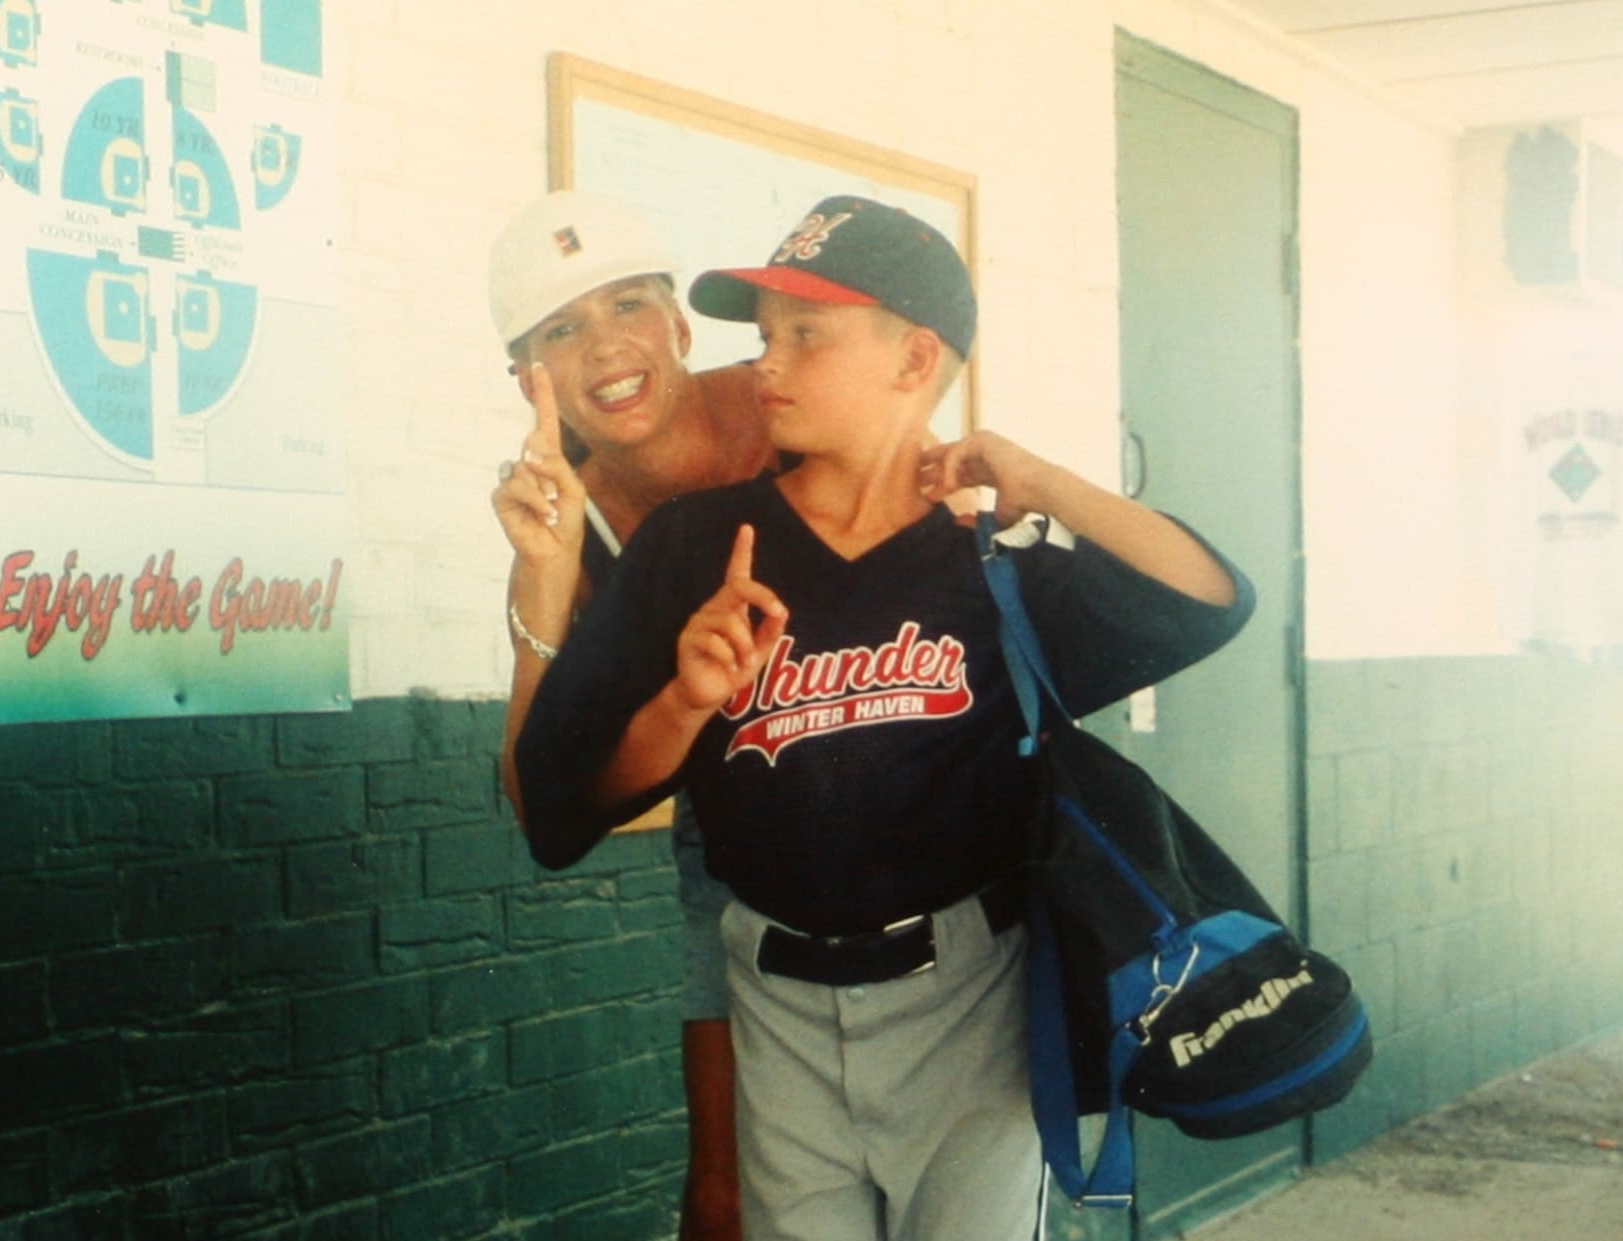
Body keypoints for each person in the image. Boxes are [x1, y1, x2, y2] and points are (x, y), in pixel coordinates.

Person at [514, 195, 1254, 1239]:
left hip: (973, 1005)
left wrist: (1035, 476)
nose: (767, 363)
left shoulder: (986, 562)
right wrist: (686, 699)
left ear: (915, 361)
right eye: (764, 336)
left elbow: (1209, 598)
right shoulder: (692, 547)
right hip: (775, 1009)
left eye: (805, 335)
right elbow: (560, 808)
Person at [485, 189, 773, 1239]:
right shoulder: (569, 516)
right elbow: (542, 809)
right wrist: (544, 581)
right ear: (531, 377)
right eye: (562, 328)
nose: (605, 345)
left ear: (680, 323)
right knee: (720, 1200)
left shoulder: (784, 407)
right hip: (738, 843)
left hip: (914, 823)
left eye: (628, 305)